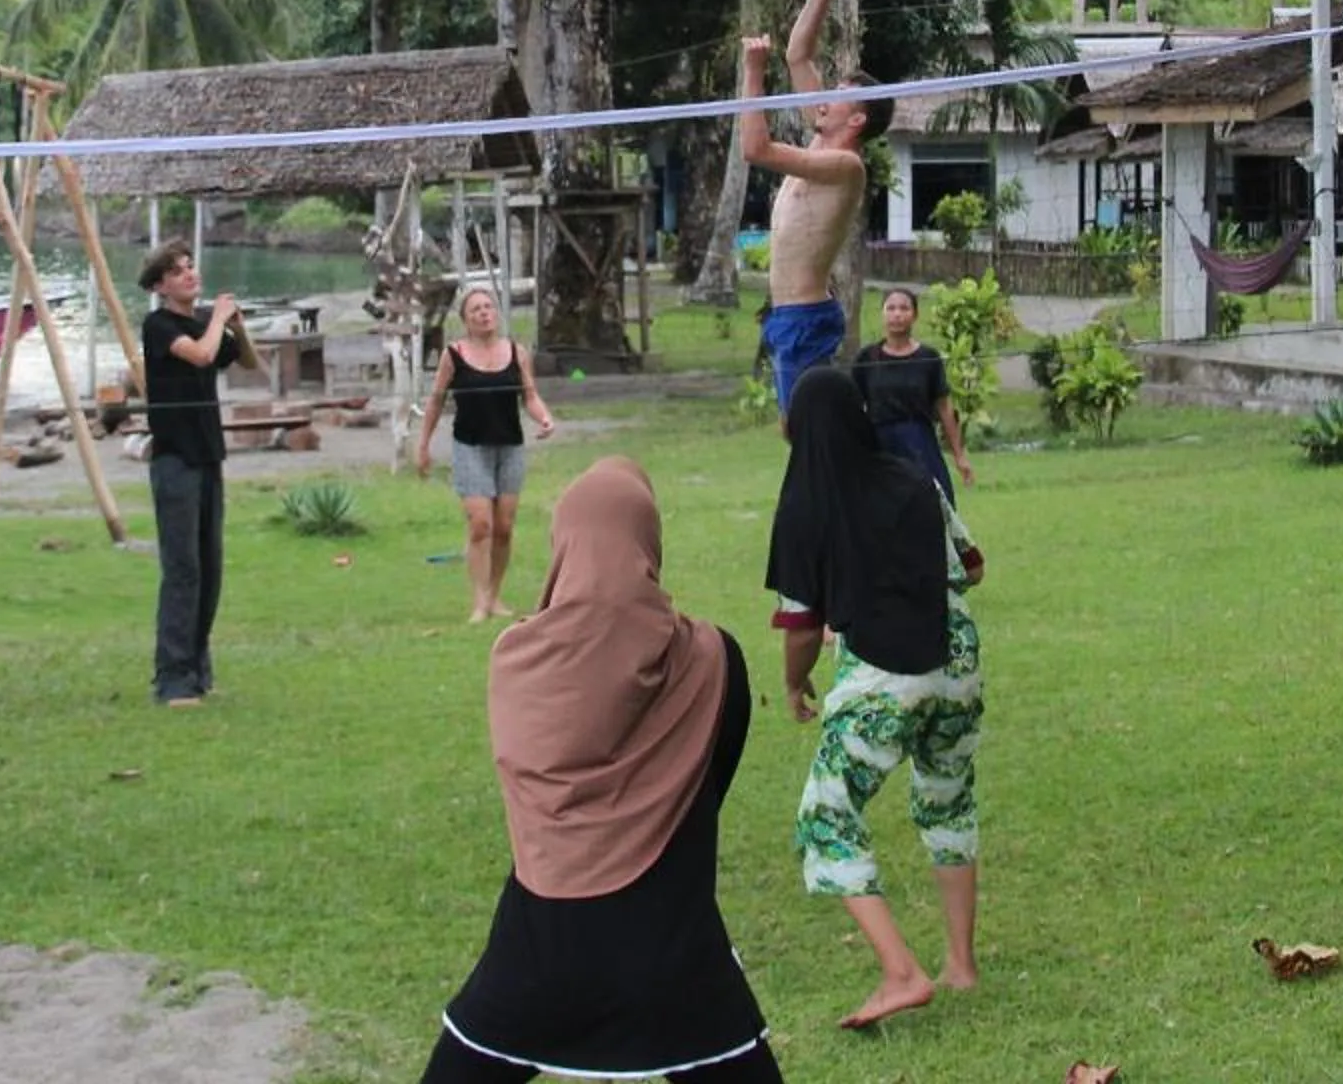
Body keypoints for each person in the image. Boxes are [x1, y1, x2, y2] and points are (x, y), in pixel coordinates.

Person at [422, 457, 781, 1084]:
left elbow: (527, 795)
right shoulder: (714, 657)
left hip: (538, 956)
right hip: (674, 955)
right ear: (648, 540)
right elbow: (709, 782)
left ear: (563, 543)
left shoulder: (516, 660)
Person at [769, 367, 985, 1031]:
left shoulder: (804, 506)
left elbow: (800, 626)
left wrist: (794, 683)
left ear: (795, 429)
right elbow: (973, 566)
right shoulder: (915, 479)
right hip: (957, 661)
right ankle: (960, 965)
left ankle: (901, 973)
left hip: (884, 677)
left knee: (826, 817)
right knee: (948, 798)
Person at [739, 0, 892, 415]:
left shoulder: (846, 167)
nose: (825, 98)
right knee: (798, 427)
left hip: (805, 317)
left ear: (857, 120)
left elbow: (756, 149)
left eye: (839, 95)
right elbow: (798, 55)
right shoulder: (821, 137)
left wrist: (752, 75)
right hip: (789, 314)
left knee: (805, 427)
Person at [417, 284, 560, 622]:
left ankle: (495, 596)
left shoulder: (516, 352)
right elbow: (436, 401)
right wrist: (423, 445)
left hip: (509, 446)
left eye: (487, 307)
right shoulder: (454, 355)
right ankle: (479, 602)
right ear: (465, 320)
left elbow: (530, 396)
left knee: (504, 527)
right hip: (470, 447)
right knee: (481, 525)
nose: (484, 314)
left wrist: (544, 418)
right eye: (476, 310)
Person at [140, 240, 242, 707]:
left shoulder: (204, 326)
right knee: (182, 569)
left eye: (190, 266)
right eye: (178, 271)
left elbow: (243, 360)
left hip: (208, 455)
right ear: (160, 285)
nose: (189, 274)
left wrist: (235, 326)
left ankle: (198, 670)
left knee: (209, 569)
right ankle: (173, 678)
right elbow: (200, 355)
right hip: (174, 459)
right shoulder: (159, 325)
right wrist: (218, 318)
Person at [850, 287, 973, 496]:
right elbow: (853, 407)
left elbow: (944, 408)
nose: (897, 314)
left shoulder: (929, 357)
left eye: (904, 308)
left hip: (919, 443)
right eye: (891, 308)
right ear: (882, 314)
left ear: (915, 315)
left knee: (931, 501)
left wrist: (959, 456)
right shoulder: (866, 358)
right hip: (880, 443)